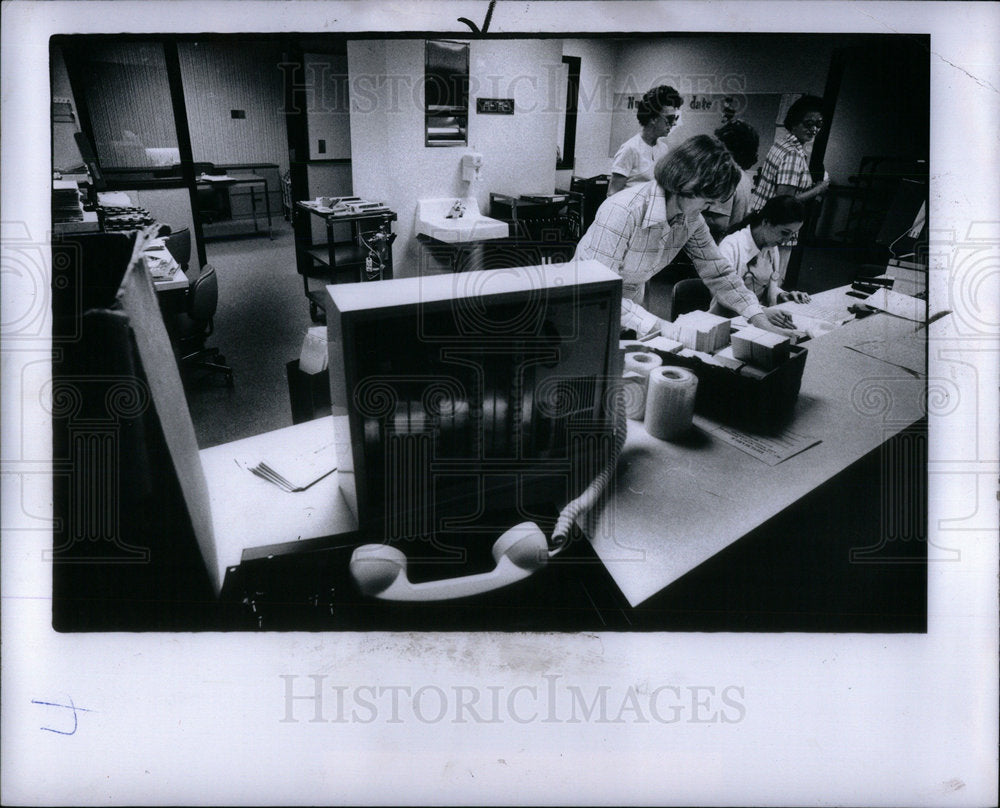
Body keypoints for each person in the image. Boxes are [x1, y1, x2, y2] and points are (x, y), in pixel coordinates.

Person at [574, 134, 799, 339]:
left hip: (626, 311)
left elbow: (719, 272)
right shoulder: (623, 211)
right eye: (708, 201)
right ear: (686, 185)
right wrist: (666, 329)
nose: (708, 208)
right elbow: (598, 291)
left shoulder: (691, 218)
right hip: (582, 308)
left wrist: (758, 318)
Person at [750, 95, 830, 278]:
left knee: (755, 278)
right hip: (778, 231)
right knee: (771, 281)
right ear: (794, 122)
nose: (814, 129)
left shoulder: (781, 144)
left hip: (762, 225)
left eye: (819, 124)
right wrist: (818, 190)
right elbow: (784, 202)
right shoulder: (793, 154)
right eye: (808, 123)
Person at [710, 195, 811, 329]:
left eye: (792, 234)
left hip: (758, 320)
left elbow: (766, 286)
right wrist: (759, 311)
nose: (787, 239)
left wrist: (783, 295)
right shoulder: (731, 245)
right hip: (728, 322)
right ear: (766, 222)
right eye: (785, 232)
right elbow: (724, 293)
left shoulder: (771, 246)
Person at [607, 85, 684, 196]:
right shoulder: (630, 149)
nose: (674, 124)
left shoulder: (663, 149)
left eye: (675, 118)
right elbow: (612, 194)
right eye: (670, 119)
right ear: (653, 118)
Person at [703, 119, 760, 243]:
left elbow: (720, 223)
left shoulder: (727, 175)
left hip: (716, 243)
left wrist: (690, 213)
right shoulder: (744, 177)